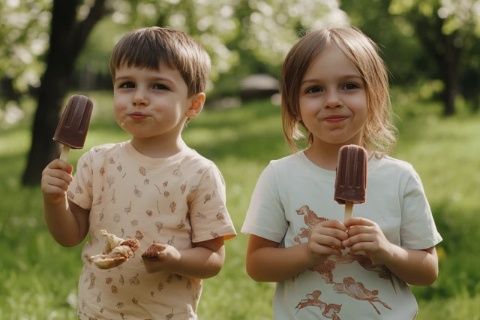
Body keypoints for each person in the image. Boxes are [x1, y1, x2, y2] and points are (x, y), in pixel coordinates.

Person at [242, 26, 442, 319]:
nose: (332, 100)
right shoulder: (280, 177)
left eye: (349, 85)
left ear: (374, 94)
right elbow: (257, 265)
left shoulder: (400, 177)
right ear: (294, 105)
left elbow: (427, 270)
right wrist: (308, 253)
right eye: (314, 89)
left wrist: (385, 250)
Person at [41, 26, 236, 320]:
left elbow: (213, 258)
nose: (139, 97)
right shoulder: (97, 161)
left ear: (193, 104)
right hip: (96, 311)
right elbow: (70, 235)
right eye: (127, 84)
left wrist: (177, 259)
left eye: (158, 86)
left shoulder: (199, 174)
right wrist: (55, 202)